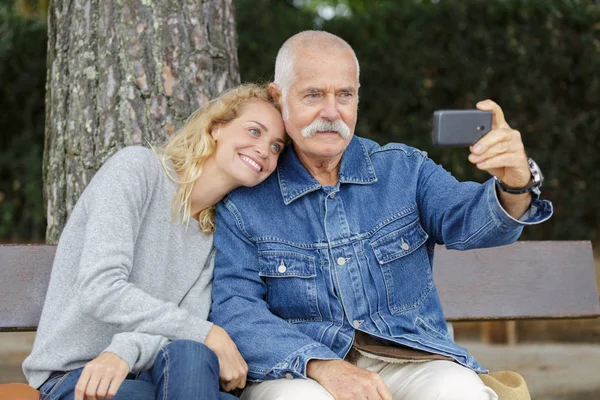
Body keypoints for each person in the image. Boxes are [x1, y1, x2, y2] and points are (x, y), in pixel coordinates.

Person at [209, 31, 553, 400]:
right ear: (279, 98)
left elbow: (472, 221)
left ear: (358, 97)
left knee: (457, 390)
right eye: (313, 95)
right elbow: (235, 307)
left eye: (344, 95)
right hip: (298, 370)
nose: (331, 112)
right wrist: (319, 365)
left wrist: (516, 184)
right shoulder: (245, 201)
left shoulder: (403, 170)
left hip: (408, 358)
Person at [22, 83, 286, 400]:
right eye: (255, 131)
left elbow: (184, 332)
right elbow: (100, 288)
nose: (264, 150)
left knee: (192, 353)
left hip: (156, 376)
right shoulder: (138, 170)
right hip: (76, 377)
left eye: (276, 147)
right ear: (217, 127)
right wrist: (208, 334)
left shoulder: (219, 233)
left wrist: (127, 350)